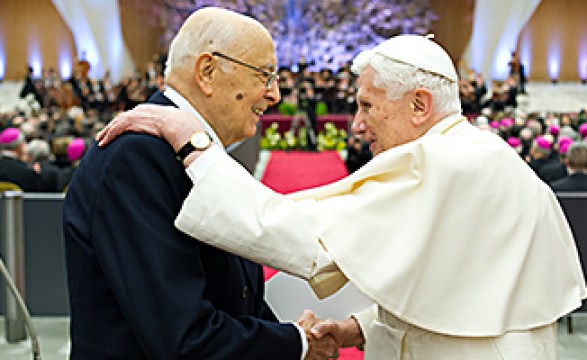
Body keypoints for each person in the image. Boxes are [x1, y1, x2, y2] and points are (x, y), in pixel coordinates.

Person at [98, 34, 586, 359]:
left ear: (419, 104)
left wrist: (194, 142)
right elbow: (452, 287)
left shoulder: (440, 163)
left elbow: (300, 236)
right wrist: (361, 329)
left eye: (367, 105)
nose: (356, 125)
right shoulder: (483, 154)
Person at [63, 7, 336, 360]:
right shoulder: (137, 159)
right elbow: (181, 338)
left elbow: (237, 297)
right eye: (265, 75)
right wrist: (294, 344)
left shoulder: (189, 151)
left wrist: (291, 337)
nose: (275, 95)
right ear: (207, 72)